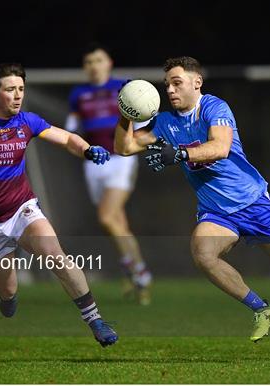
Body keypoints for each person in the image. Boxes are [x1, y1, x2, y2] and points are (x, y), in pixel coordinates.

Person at [114, 56, 270, 359]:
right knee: (203, 253)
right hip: (216, 212)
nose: (171, 91)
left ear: (196, 82)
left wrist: (178, 154)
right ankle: (262, 309)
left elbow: (220, 147)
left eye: (177, 83)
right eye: (167, 85)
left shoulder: (214, 108)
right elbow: (123, 147)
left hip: (253, 202)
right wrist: (126, 112)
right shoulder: (165, 122)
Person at [0, 62, 118, 347]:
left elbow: (65, 137)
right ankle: (6, 297)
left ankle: (95, 319)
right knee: (8, 291)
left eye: (21, 89)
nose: (18, 96)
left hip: (22, 209)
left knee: (54, 253)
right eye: (10, 90)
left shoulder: (26, 121)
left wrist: (87, 149)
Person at [65, 43, 152, 305]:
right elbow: (71, 133)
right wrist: (82, 151)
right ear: (85, 67)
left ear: (109, 63)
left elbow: (144, 125)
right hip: (94, 164)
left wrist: (139, 141)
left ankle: (141, 274)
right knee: (117, 223)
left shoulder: (123, 89)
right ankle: (134, 274)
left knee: (105, 216)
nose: (94, 65)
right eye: (89, 61)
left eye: (99, 60)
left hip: (121, 160)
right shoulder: (78, 95)